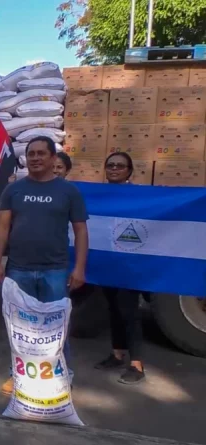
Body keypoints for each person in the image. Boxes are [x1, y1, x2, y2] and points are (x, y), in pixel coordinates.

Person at [0, 136, 89, 395]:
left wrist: (79, 268)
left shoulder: (69, 192)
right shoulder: (14, 190)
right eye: (31, 154)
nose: (35, 158)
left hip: (54, 269)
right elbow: (1, 227)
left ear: (53, 158)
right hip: (18, 269)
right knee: (19, 328)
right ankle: (18, 373)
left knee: (56, 327)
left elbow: (80, 231)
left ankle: (62, 375)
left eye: (40, 153)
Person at [94, 152, 146, 385]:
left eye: (120, 166)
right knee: (113, 308)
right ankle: (117, 354)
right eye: (110, 165)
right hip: (107, 262)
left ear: (129, 171)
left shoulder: (138, 197)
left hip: (129, 263)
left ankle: (137, 364)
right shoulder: (99, 195)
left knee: (129, 311)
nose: (114, 168)